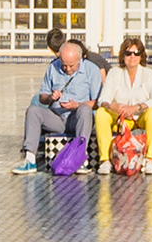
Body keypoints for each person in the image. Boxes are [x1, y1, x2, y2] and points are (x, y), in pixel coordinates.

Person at [16, 32, 102, 172]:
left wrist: (77, 105)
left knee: (85, 110)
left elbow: (98, 102)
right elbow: (42, 97)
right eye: (64, 65)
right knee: (33, 111)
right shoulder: (53, 68)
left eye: (72, 66)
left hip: (79, 118)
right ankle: (30, 158)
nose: (68, 69)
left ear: (80, 59)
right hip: (57, 117)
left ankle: (80, 158)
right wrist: (50, 97)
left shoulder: (92, 70)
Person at [96, 36, 152, 175]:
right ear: (123, 55)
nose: (132, 57)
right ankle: (105, 160)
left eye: (136, 53)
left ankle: (150, 159)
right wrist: (112, 106)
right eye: (128, 53)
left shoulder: (148, 74)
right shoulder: (114, 73)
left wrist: (136, 107)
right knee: (101, 113)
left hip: (139, 119)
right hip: (119, 120)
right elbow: (102, 99)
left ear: (141, 56)